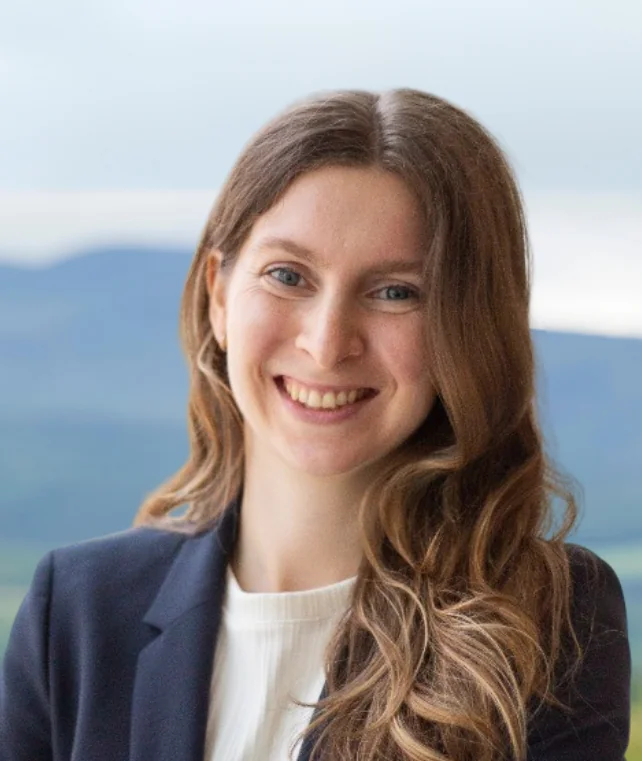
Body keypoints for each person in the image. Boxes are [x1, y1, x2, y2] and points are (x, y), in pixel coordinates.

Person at [0, 89, 631, 761]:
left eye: (396, 292)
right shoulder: (80, 608)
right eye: (288, 276)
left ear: (466, 329)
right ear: (219, 294)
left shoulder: (549, 619)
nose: (327, 344)